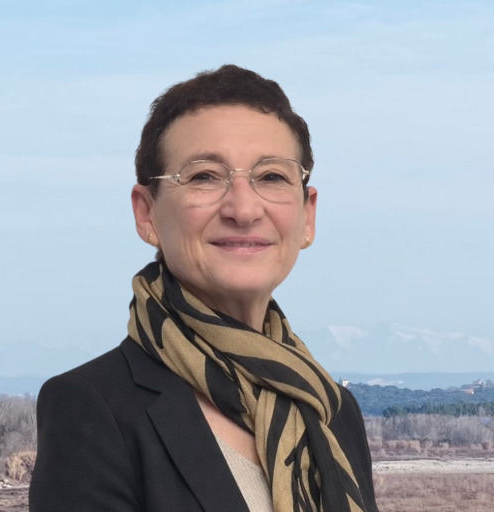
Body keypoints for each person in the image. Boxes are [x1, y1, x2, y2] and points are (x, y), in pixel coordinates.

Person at [29, 65, 378, 512]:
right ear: (146, 213)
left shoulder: (333, 410)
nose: (243, 209)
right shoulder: (92, 409)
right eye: (204, 176)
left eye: (272, 176)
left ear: (307, 216)